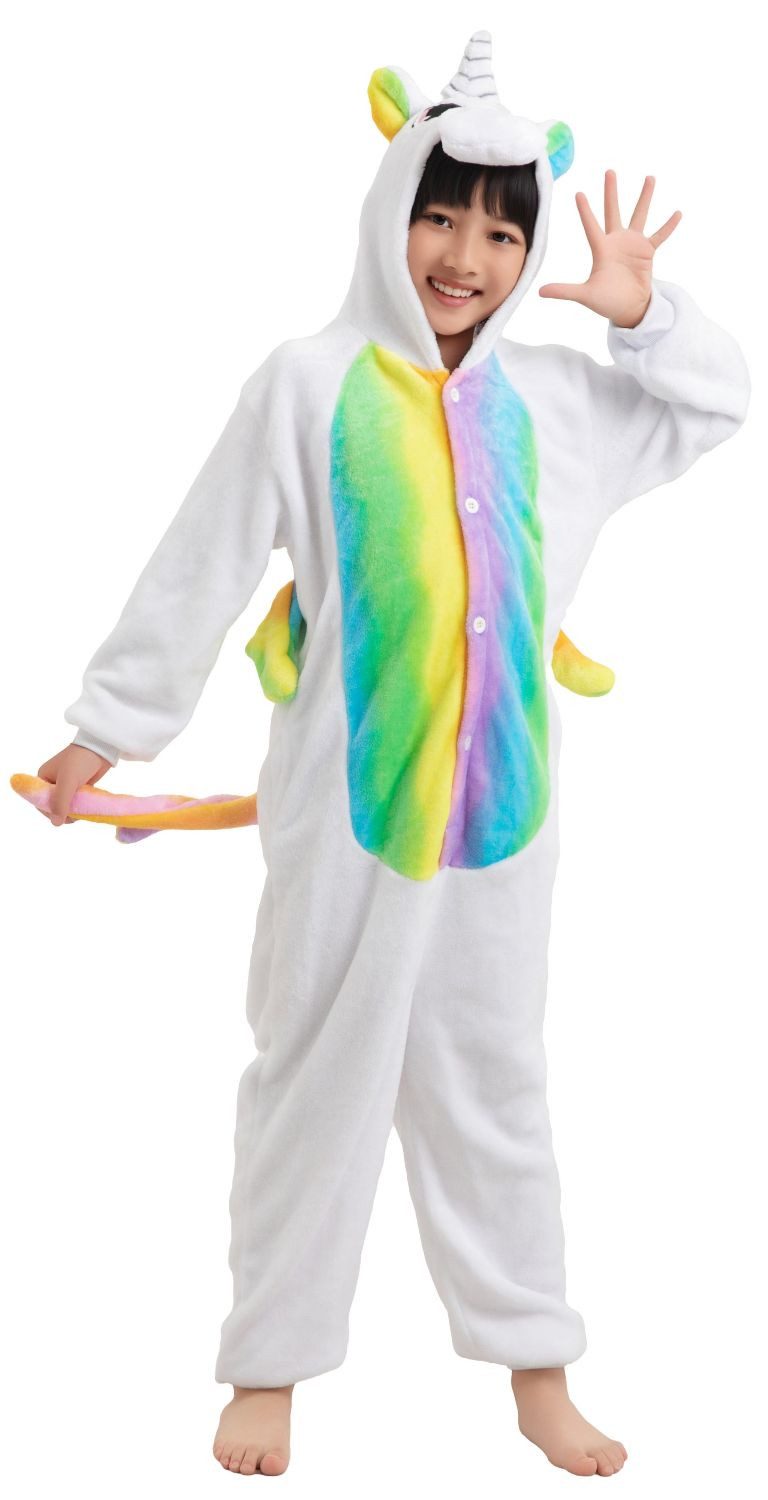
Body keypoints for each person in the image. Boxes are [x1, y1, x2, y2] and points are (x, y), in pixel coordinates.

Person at [36, 29, 750, 1481]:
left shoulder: (563, 403)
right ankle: (268, 1367)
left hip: (505, 823)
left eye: (501, 230)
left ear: (529, 247)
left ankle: (537, 1364)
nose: (465, 256)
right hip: (345, 820)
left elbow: (715, 404)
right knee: (313, 1077)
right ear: (389, 213)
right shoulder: (305, 382)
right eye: (439, 215)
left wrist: (644, 316)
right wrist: (107, 731)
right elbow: (204, 557)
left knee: (496, 1085)